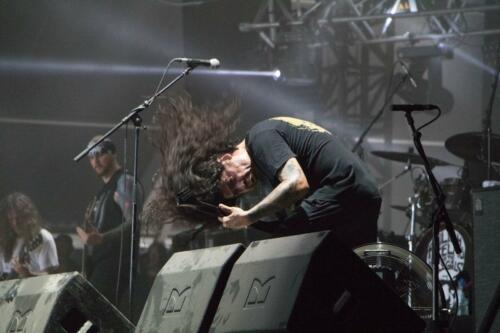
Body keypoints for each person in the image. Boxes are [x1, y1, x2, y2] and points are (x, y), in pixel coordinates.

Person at [146, 97, 381, 248]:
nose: (241, 187)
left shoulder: (260, 138)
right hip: (358, 194)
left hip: (344, 189)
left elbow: (297, 183)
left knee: (289, 243)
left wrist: (248, 217)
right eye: (234, 192)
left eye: (230, 181)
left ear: (225, 158)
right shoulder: (266, 161)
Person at [76, 136, 139, 310]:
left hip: (115, 267)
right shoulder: (101, 192)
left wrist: (103, 238)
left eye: (100, 154)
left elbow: (134, 222)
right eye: (90, 156)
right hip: (98, 267)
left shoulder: (124, 182)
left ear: (113, 153)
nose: (95, 161)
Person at [0, 192, 59, 280]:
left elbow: (53, 278)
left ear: (27, 216)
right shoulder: (7, 241)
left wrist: (28, 274)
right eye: (11, 219)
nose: (15, 223)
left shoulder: (42, 237)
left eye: (18, 218)